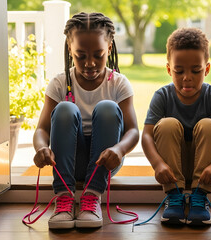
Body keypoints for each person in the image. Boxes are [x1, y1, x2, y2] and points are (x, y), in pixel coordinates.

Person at [33, 12, 139, 229]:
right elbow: (42, 129)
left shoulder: (118, 84)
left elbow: (133, 131)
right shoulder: (59, 83)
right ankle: (64, 197)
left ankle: (91, 197)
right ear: (70, 49)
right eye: (81, 55)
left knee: (108, 108)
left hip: (105, 161)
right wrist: (41, 147)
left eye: (98, 55)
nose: (89, 63)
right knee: (65, 109)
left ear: (109, 48)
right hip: (68, 162)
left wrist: (119, 150)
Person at [142, 28, 211, 226]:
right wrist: (157, 164)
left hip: (203, 170)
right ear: (169, 69)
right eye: (179, 71)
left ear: (207, 69)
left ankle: (199, 197)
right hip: (171, 168)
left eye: (196, 71)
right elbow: (147, 136)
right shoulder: (162, 96)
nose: (187, 77)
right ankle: (173, 196)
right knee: (167, 124)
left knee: (210, 126)